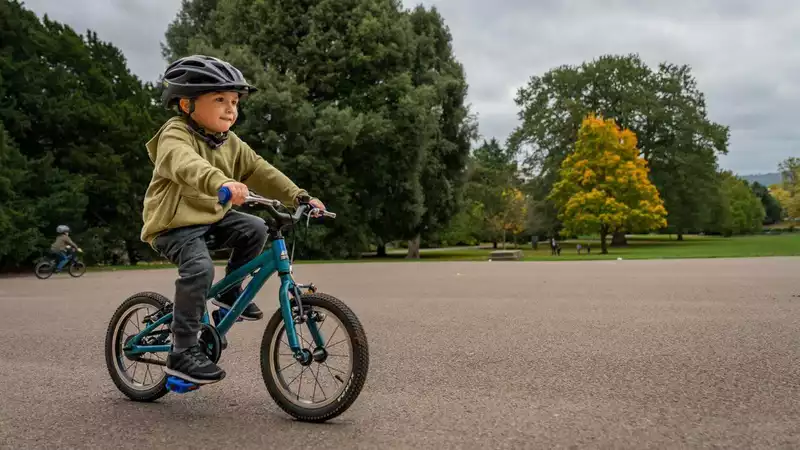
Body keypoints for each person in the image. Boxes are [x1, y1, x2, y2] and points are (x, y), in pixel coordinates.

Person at [140, 55, 326, 386]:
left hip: (209, 220)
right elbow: (186, 165)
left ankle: (228, 297)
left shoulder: (231, 142)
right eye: (220, 100)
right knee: (199, 269)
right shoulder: (175, 135)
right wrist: (221, 183)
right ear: (186, 104)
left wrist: (300, 196)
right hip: (172, 225)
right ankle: (182, 351)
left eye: (235, 101)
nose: (231, 108)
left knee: (255, 227)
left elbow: (260, 170)